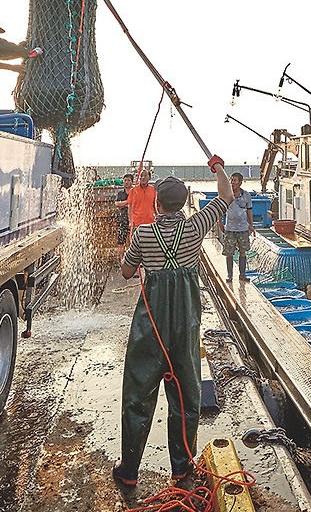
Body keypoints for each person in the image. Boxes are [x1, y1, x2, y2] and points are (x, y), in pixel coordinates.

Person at [115, 162, 232, 487]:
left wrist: (131, 254)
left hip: (149, 326)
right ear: (183, 204)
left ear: (157, 203)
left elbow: (126, 273)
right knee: (185, 395)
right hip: (184, 325)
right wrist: (219, 167)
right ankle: (182, 467)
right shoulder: (195, 229)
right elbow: (226, 195)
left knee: (138, 394)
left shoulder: (143, 233)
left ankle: (129, 471)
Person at [221, 172, 255, 281]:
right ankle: (229, 275)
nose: (232, 182)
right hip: (230, 228)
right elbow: (221, 210)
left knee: (242, 251)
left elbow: (249, 210)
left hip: (243, 228)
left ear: (240, 182)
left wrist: (251, 225)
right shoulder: (226, 194)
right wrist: (220, 223)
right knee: (229, 252)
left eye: (235, 180)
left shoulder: (246, 195)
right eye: (231, 180)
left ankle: (242, 274)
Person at [112, 174, 132, 256]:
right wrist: (128, 203)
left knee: (133, 241)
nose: (126, 182)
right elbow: (117, 204)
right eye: (125, 180)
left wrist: (123, 204)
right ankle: (121, 259)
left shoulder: (134, 192)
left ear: (132, 182)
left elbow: (135, 204)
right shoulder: (120, 193)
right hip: (122, 219)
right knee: (121, 241)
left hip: (133, 220)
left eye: (128, 180)